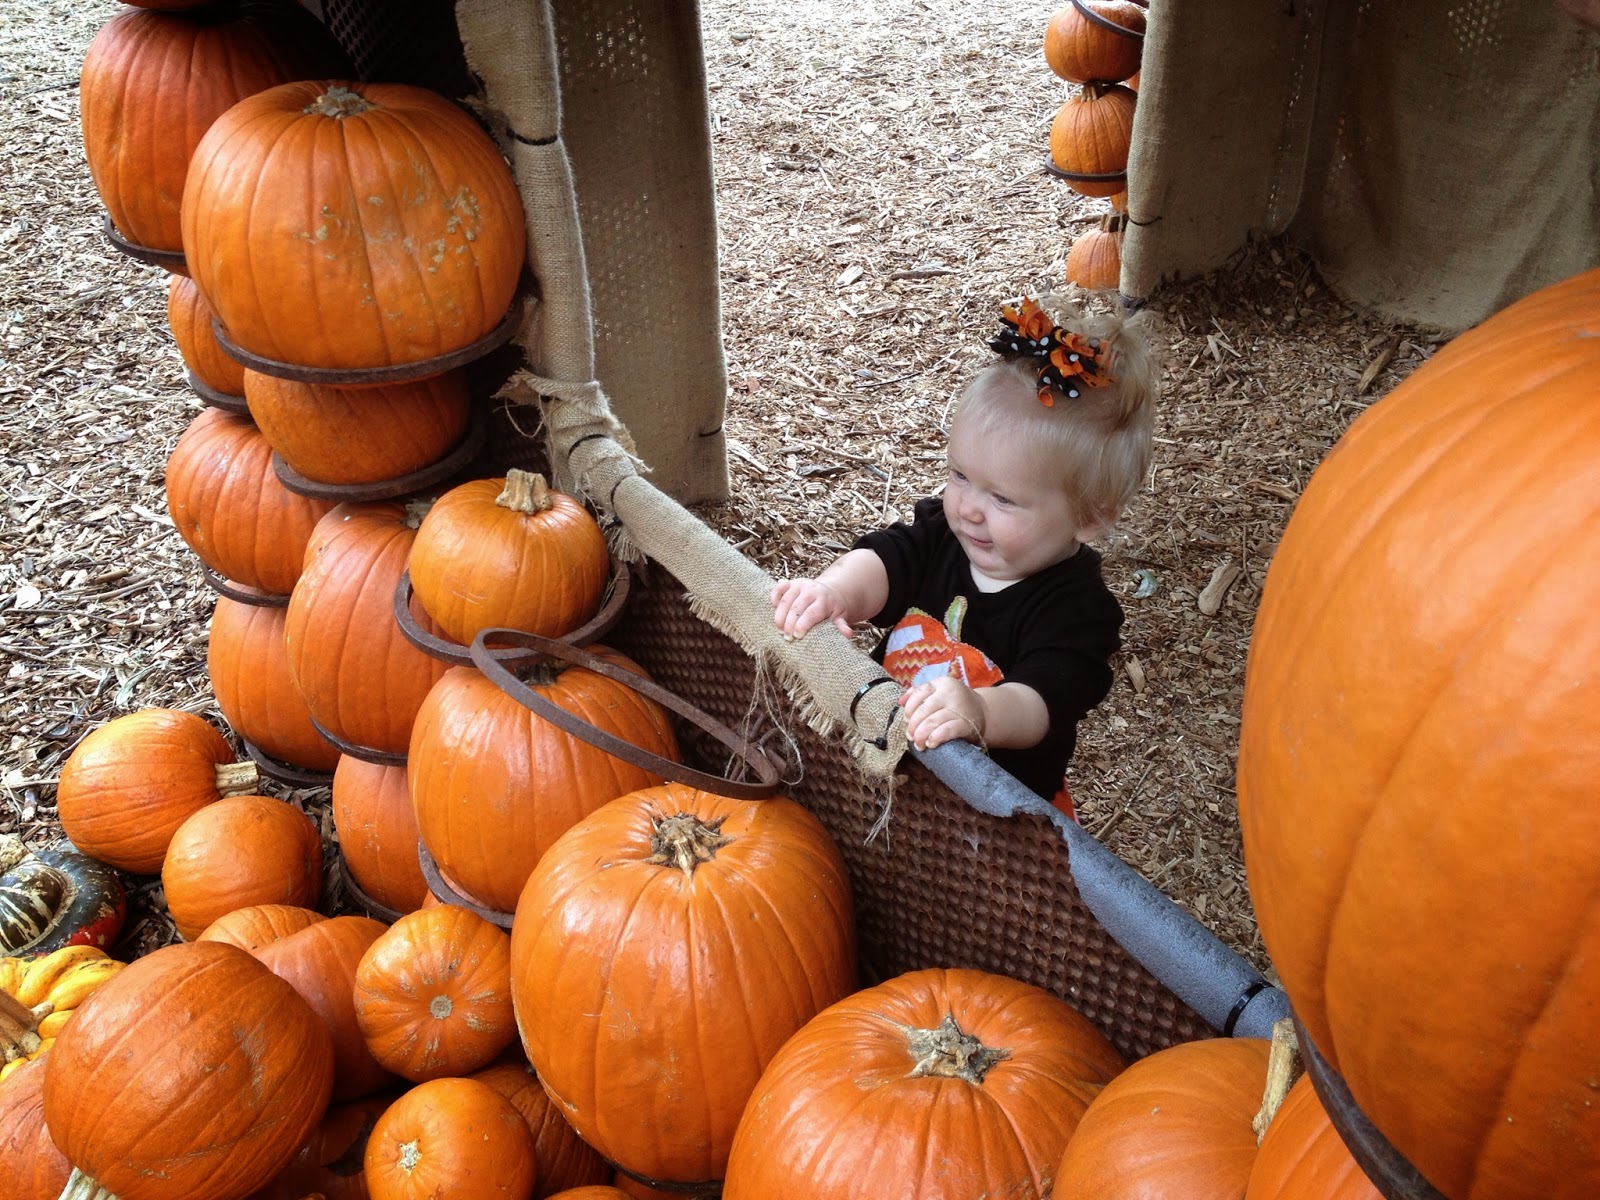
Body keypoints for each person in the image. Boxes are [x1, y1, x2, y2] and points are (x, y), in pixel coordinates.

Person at [771, 296, 1158, 816]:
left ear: (1090, 517)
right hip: (887, 762)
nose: (969, 510)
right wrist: (834, 593)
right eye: (960, 476)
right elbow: (887, 561)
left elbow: (1042, 701)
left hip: (993, 816)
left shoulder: (1078, 611)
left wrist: (980, 709)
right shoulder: (944, 534)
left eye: (1002, 499)